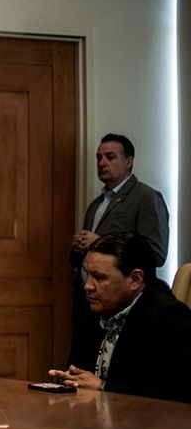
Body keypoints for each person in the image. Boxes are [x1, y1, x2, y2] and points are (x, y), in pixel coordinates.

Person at [50, 232, 191, 403]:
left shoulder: (173, 320)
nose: (88, 286)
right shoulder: (91, 311)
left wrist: (103, 387)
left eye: (99, 277)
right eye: (87, 275)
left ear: (135, 279)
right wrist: (67, 381)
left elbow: (177, 395)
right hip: (88, 421)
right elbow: (79, 373)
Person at [70, 134, 169, 321]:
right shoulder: (95, 205)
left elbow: (156, 253)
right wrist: (78, 248)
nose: (102, 162)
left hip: (122, 305)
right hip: (87, 300)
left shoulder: (147, 197)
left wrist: (99, 241)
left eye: (110, 156)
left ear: (128, 162)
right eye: (99, 157)